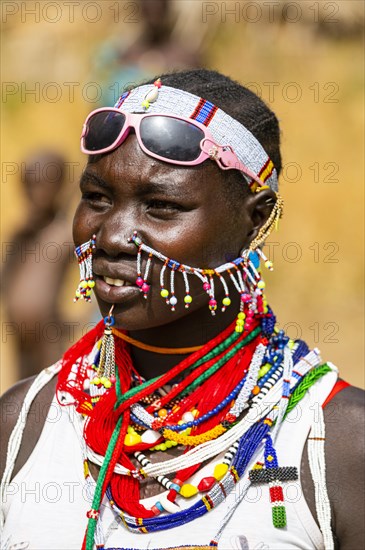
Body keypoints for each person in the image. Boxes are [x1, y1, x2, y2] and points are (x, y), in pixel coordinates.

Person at [0, 69, 364, 550]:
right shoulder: (24, 425)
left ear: (254, 220)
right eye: (97, 199)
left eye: (160, 206)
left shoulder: (334, 442)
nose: (110, 236)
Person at [1, 151, 72, 379]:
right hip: (19, 331)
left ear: (58, 186)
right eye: (30, 184)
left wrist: (81, 318)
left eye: (43, 184)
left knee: (50, 384)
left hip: (48, 329)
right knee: (21, 386)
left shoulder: (65, 233)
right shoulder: (21, 234)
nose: (36, 193)